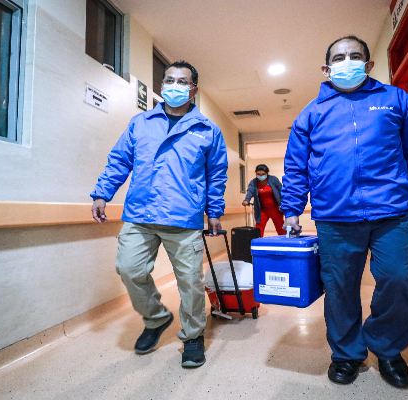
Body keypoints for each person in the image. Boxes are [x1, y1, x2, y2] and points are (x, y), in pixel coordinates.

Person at [281, 36, 408, 388]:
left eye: (355, 56)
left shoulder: (396, 100)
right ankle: (346, 353)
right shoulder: (311, 113)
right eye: (339, 58)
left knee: (398, 278)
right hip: (334, 216)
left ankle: (387, 348)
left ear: (369, 64)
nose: (347, 62)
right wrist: (292, 209)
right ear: (326, 69)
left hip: (391, 211)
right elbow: (296, 167)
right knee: (339, 287)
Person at [90, 61, 228, 368]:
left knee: (190, 282)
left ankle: (193, 337)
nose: (175, 85)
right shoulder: (140, 123)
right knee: (129, 269)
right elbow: (119, 160)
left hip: (184, 217)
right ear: (162, 84)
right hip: (140, 214)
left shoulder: (207, 130)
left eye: (183, 81)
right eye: (169, 80)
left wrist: (214, 211)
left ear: (194, 89)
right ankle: (156, 317)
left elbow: (216, 174)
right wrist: (102, 193)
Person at [242, 164, 284, 236]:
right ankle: (258, 242)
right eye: (258, 174)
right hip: (262, 210)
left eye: (263, 174)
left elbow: (281, 191)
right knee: (259, 228)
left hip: (276, 209)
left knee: (281, 228)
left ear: (267, 173)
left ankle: (284, 242)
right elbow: (250, 191)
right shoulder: (254, 182)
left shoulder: (273, 179)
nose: (261, 176)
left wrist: (283, 203)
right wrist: (247, 200)